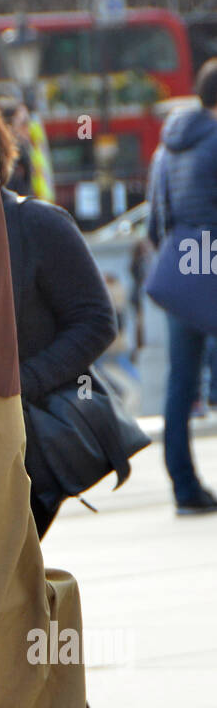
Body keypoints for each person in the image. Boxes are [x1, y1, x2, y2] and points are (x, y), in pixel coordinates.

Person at [0, 98, 120, 708]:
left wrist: (18, 382)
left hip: (24, 454)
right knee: (0, 611)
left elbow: (95, 321)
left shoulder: (35, 224)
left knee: (3, 608)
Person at [146, 57, 217, 513]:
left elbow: (156, 220)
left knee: (180, 383)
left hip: (182, 271)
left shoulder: (165, 148)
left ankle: (185, 487)